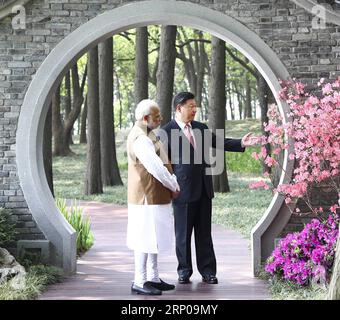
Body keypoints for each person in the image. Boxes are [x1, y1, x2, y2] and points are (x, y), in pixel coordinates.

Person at [161, 92, 257, 285]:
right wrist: (169, 187)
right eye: (190, 106)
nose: (194, 109)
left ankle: (208, 272)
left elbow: (218, 141)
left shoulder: (200, 128)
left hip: (204, 189)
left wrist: (240, 143)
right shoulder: (166, 132)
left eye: (195, 106)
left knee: (204, 234)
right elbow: (164, 164)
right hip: (182, 191)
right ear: (179, 108)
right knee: (183, 234)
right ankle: (184, 271)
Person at [126, 99, 180, 295]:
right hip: (145, 197)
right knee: (143, 238)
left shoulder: (148, 133)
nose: (161, 119)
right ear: (146, 118)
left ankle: (153, 277)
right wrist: (173, 184)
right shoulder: (140, 138)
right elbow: (156, 167)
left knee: (153, 237)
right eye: (157, 116)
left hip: (153, 196)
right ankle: (139, 281)